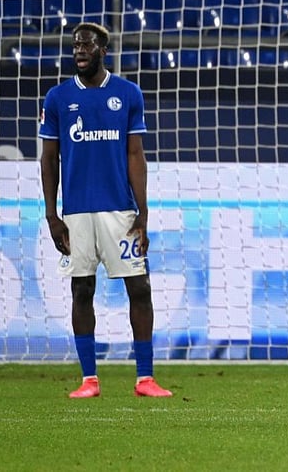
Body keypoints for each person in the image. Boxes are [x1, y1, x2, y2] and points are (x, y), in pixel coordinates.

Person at [39, 22, 172, 398]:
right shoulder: (58, 98)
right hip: (77, 212)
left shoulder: (127, 94)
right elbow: (49, 160)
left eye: (86, 46)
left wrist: (142, 213)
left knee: (140, 287)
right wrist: (52, 215)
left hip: (119, 210)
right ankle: (89, 380)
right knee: (82, 290)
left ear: (103, 51)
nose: (79, 51)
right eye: (75, 46)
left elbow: (135, 155)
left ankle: (145, 378)